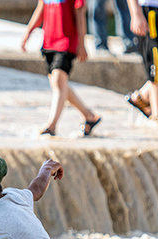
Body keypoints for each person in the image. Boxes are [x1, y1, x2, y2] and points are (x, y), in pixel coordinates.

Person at [21, 0, 101, 137]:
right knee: (59, 84)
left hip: (66, 42)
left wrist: (82, 43)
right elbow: (41, 8)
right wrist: (28, 32)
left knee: (58, 80)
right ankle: (89, 116)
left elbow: (80, 13)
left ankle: (51, 126)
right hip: (49, 41)